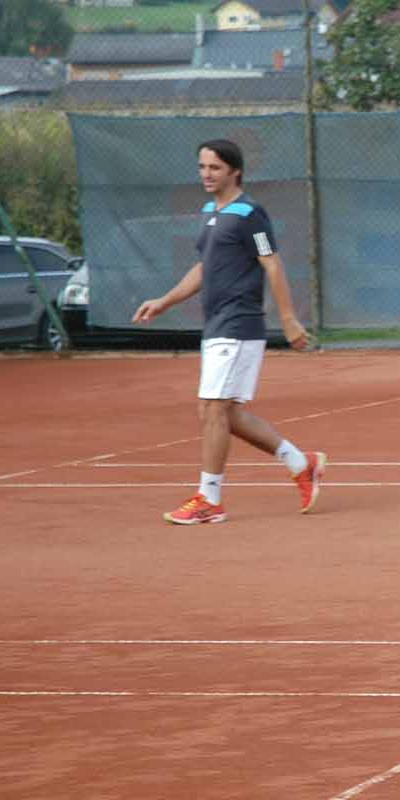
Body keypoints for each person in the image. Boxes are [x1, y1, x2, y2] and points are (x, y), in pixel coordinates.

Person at [132, 138, 326, 526]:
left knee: (215, 409)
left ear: (235, 171)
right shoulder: (210, 212)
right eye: (202, 167)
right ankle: (299, 462)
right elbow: (204, 268)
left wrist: (288, 319)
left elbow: (272, 264)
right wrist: (165, 301)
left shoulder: (250, 213)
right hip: (217, 323)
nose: (206, 174)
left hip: (239, 323)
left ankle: (209, 499)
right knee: (221, 412)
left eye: (215, 168)